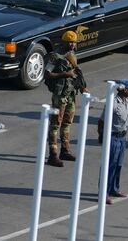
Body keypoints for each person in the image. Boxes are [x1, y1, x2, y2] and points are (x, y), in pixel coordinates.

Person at [44, 30, 87, 167]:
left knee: (67, 122)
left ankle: (65, 150)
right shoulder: (54, 56)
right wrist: (64, 74)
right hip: (60, 95)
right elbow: (47, 74)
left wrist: (81, 87)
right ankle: (53, 154)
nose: (73, 45)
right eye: (71, 42)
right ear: (64, 42)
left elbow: (76, 73)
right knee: (56, 124)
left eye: (74, 42)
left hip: (70, 94)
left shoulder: (72, 54)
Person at [98, 79, 128, 205]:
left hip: (122, 137)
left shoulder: (126, 101)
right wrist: (101, 135)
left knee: (118, 164)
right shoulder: (113, 102)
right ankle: (104, 193)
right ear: (123, 89)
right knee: (109, 165)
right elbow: (102, 121)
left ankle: (114, 189)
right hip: (113, 137)